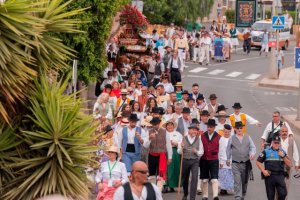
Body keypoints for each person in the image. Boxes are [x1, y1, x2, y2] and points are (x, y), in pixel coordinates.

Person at [226, 122, 256, 200]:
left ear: (243, 128)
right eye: (238, 128)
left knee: (244, 181)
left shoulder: (248, 137)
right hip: (235, 163)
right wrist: (228, 159)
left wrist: (252, 154)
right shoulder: (232, 138)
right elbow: (228, 149)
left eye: (241, 128)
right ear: (235, 129)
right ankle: (237, 197)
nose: (239, 129)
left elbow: (253, 147)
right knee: (237, 181)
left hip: (246, 164)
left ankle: (243, 194)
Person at [256, 134, 292, 200]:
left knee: (283, 193)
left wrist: (283, 156)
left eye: (278, 143)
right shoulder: (266, 151)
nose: (276, 144)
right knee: (270, 196)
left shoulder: (282, 151)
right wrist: (263, 170)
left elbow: (289, 164)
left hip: (280, 176)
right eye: (275, 142)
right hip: (269, 176)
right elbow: (258, 162)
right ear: (272, 142)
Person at [144, 117, 172, 191]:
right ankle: (153, 190)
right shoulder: (149, 132)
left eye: (156, 124)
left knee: (161, 174)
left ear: (159, 124)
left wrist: (170, 157)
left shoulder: (165, 132)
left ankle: (159, 191)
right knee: (152, 174)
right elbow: (145, 145)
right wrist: (149, 138)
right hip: (152, 154)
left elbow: (168, 145)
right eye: (153, 124)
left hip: (161, 155)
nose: (155, 126)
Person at [178, 123, 204, 200]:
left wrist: (196, 151)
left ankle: (192, 198)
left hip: (194, 161)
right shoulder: (183, 138)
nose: (194, 131)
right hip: (185, 160)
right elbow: (179, 152)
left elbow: (201, 152)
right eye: (193, 129)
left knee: (195, 178)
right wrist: (181, 148)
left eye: (196, 130)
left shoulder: (199, 139)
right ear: (189, 130)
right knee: (185, 178)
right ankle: (185, 193)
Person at [200, 119, 221, 200]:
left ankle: (215, 195)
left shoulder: (219, 137)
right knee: (204, 179)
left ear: (214, 127)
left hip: (214, 160)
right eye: (208, 127)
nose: (209, 128)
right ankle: (205, 196)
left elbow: (221, 150)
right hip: (204, 160)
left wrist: (221, 160)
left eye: (211, 127)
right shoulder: (202, 136)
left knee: (214, 178)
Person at [162, 120, 182, 193]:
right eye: (168, 125)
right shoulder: (163, 133)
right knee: (166, 168)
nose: (170, 126)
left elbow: (181, 142)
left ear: (173, 126)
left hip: (175, 151)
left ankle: (172, 185)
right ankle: (165, 185)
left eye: (171, 125)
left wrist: (176, 143)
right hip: (165, 152)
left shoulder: (178, 134)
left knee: (174, 169)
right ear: (166, 126)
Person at [279, 125, 299, 197]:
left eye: (286, 131)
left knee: (286, 185)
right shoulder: (276, 140)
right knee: (277, 185)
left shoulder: (291, 140)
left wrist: (297, 163)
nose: (284, 133)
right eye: (283, 131)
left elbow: (295, 152)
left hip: (288, 166)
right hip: (277, 166)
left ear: (288, 132)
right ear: (280, 132)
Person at [218, 124, 234, 195]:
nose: (226, 133)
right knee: (223, 175)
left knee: (230, 175)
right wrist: (221, 161)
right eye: (225, 132)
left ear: (230, 132)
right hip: (223, 160)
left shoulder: (233, 139)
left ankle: (228, 188)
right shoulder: (221, 139)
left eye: (228, 132)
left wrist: (230, 160)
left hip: (231, 160)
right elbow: (220, 151)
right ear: (223, 132)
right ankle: (223, 189)